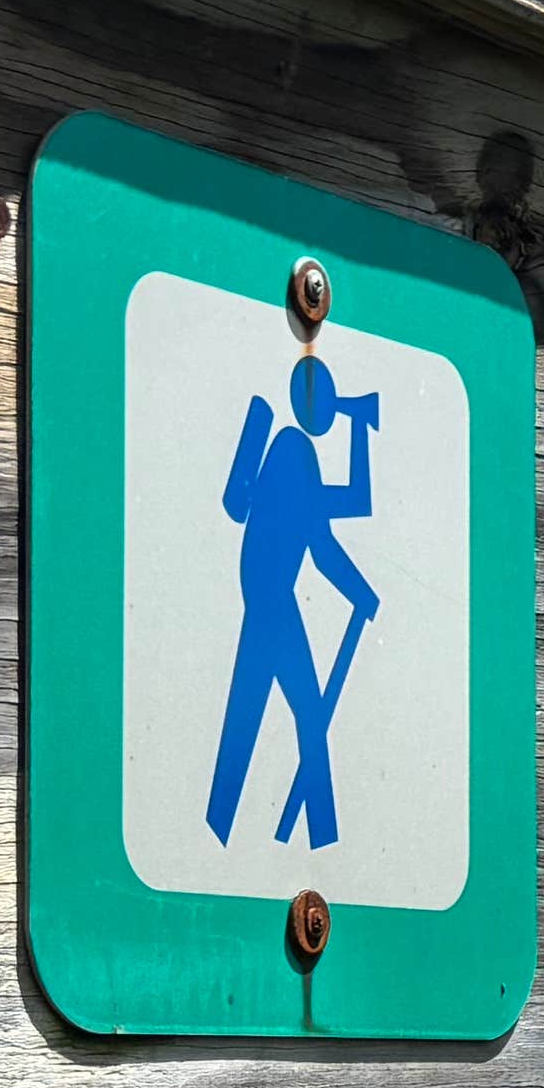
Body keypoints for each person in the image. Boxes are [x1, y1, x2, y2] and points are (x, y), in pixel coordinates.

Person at [204, 354, 382, 848]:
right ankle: (321, 839)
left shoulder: (287, 463)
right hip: (273, 606)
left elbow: (328, 536)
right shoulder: (291, 457)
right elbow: (336, 525)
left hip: (265, 603)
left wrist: (361, 594)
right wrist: (358, 429)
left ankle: (225, 828)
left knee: (251, 717)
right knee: (301, 714)